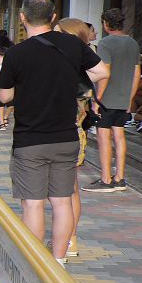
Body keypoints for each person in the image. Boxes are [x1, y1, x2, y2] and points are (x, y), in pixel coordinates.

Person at [0, 0, 107, 264]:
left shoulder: (17, 54)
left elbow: (5, 97)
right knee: (62, 200)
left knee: (33, 203)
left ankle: (35, 264)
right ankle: (58, 260)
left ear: (22, 18)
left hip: (30, 140)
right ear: (54, 17)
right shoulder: (72, 45)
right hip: (66, 137)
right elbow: (101, 72)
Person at [82, 8, 141, 192]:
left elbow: (105, 73)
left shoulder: (106, 43)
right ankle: (120, 178)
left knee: (103, 136)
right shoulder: (132, 43)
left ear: (106, 24)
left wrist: (96, 99)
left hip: (107, 99)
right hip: (123, 99)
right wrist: (129, 98)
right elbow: (136, 73)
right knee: (119, 136)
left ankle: (106, 179)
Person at [53, 17, 96, 259]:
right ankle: (68, 237)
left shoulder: (76, 66)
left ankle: (70, 238)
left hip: (70, 131)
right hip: (67, 131)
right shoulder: (76, 63)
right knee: (68, 189)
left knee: (68, 190)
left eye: (59, 33)